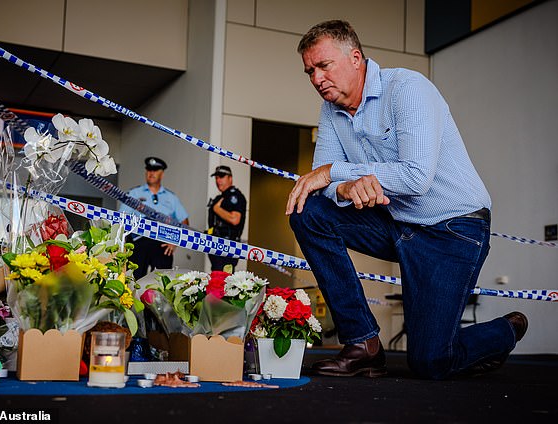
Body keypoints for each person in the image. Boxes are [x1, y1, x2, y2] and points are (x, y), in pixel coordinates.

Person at [285, 20, 527, 380]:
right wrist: (346, 187)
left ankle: (505, 329)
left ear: (354, 58)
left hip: (454, 227)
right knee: (310, 212)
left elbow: (415, 176)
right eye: (309, 71)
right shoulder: (331, 109)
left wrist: (337, 174)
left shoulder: (408, 88)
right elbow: (329, 182)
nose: (316, 79)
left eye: (323, 66)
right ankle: (362, 343)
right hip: (398, 223)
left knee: (431, 362)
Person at [119, 157, 189, 279]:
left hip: (162, 245)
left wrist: (174, 242)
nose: (151, 173)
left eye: (155, 170)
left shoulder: (171, 197)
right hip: (138, 242)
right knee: (133, 280)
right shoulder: (134, 193)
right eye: (149, 169)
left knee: (162, 282)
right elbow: (121, 218)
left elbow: (184, 221)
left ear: (162, 173)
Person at [207, 165, 246, 272]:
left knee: (224, 281)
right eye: (216, 177)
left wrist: (216, 209)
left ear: (230, 178)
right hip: (216, 246)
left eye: (221, 176)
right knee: (216, 279)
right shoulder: (220, 197)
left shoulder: (235, 196)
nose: (218, 180)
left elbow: (235, 219)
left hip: (227, 247)